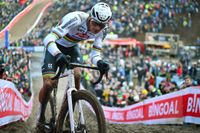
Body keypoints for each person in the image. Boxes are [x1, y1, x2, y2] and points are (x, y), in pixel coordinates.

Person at [36, 2, 112, 130]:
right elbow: (48, 38)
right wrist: (57, 54)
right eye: (95, 23)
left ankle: (67, 115)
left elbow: (95, 54)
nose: (98, 28)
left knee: (77, 74)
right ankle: (41, 115)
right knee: (49, 84)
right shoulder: (75, 19)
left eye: (101, 25)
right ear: (89, 17)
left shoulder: (103, 30)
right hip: (55, 46)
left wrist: (99, 62)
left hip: (72, 47)